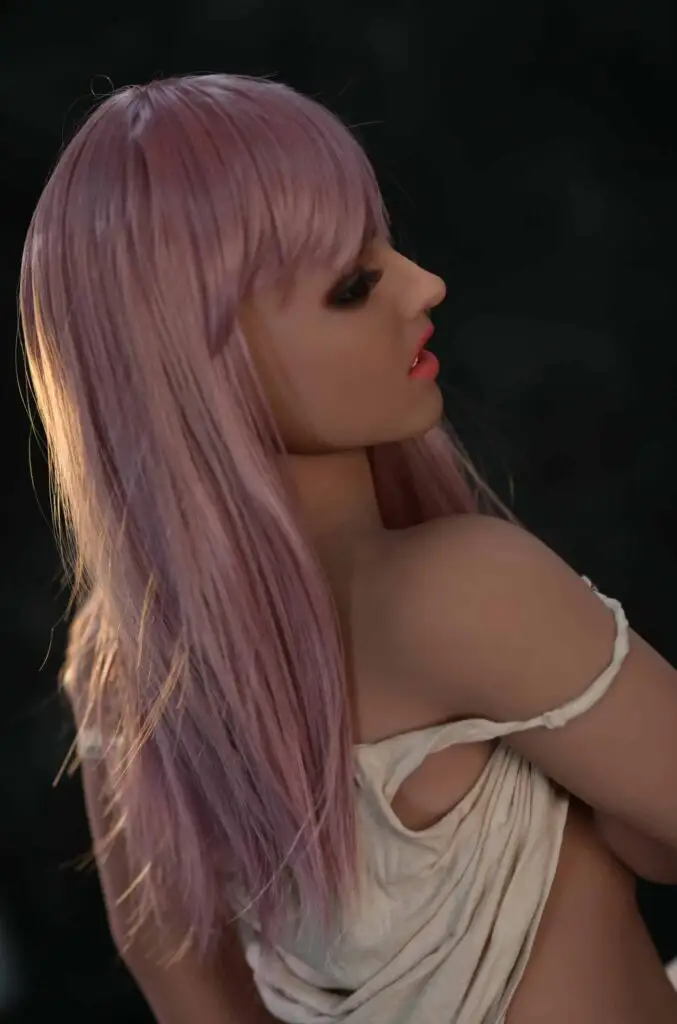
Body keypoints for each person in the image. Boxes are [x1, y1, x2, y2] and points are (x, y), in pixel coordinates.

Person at [19, 73, 677, 1024]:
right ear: (197, 368)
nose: (423, 285)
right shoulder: (462, 593)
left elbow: (186, 989)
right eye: (353, 286)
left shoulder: (121, 670)